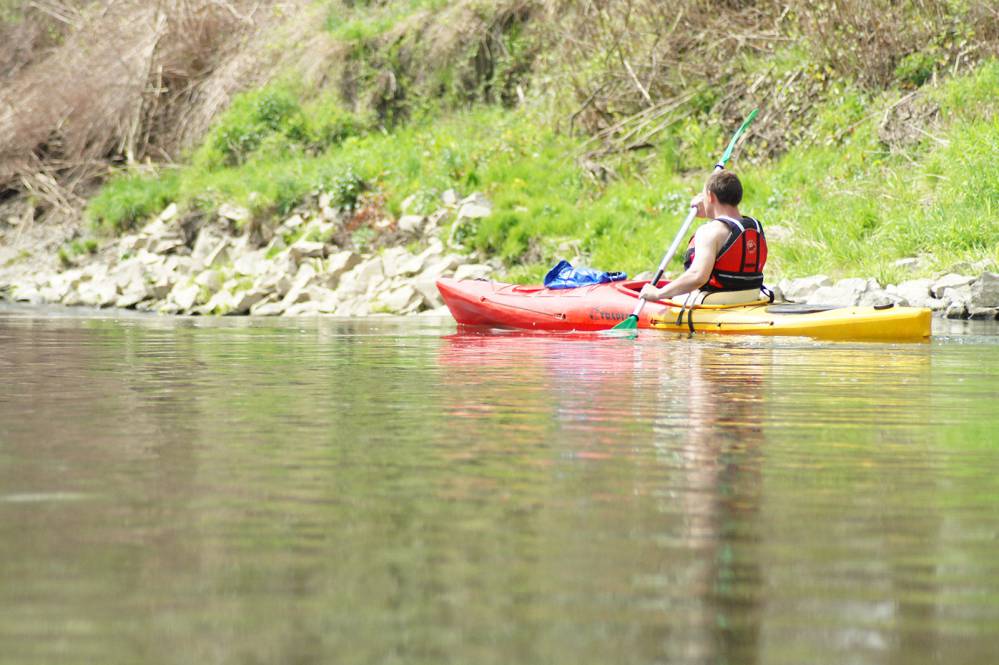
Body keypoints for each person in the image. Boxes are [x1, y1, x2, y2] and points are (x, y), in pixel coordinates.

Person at [639, 170, 768, 305]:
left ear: (710, 196)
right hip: (751, 298)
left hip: (714, 302)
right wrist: (708, 208)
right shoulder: (754, 227)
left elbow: (698, 276)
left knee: (667, 299)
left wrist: (658, 293)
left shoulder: (709, 232)